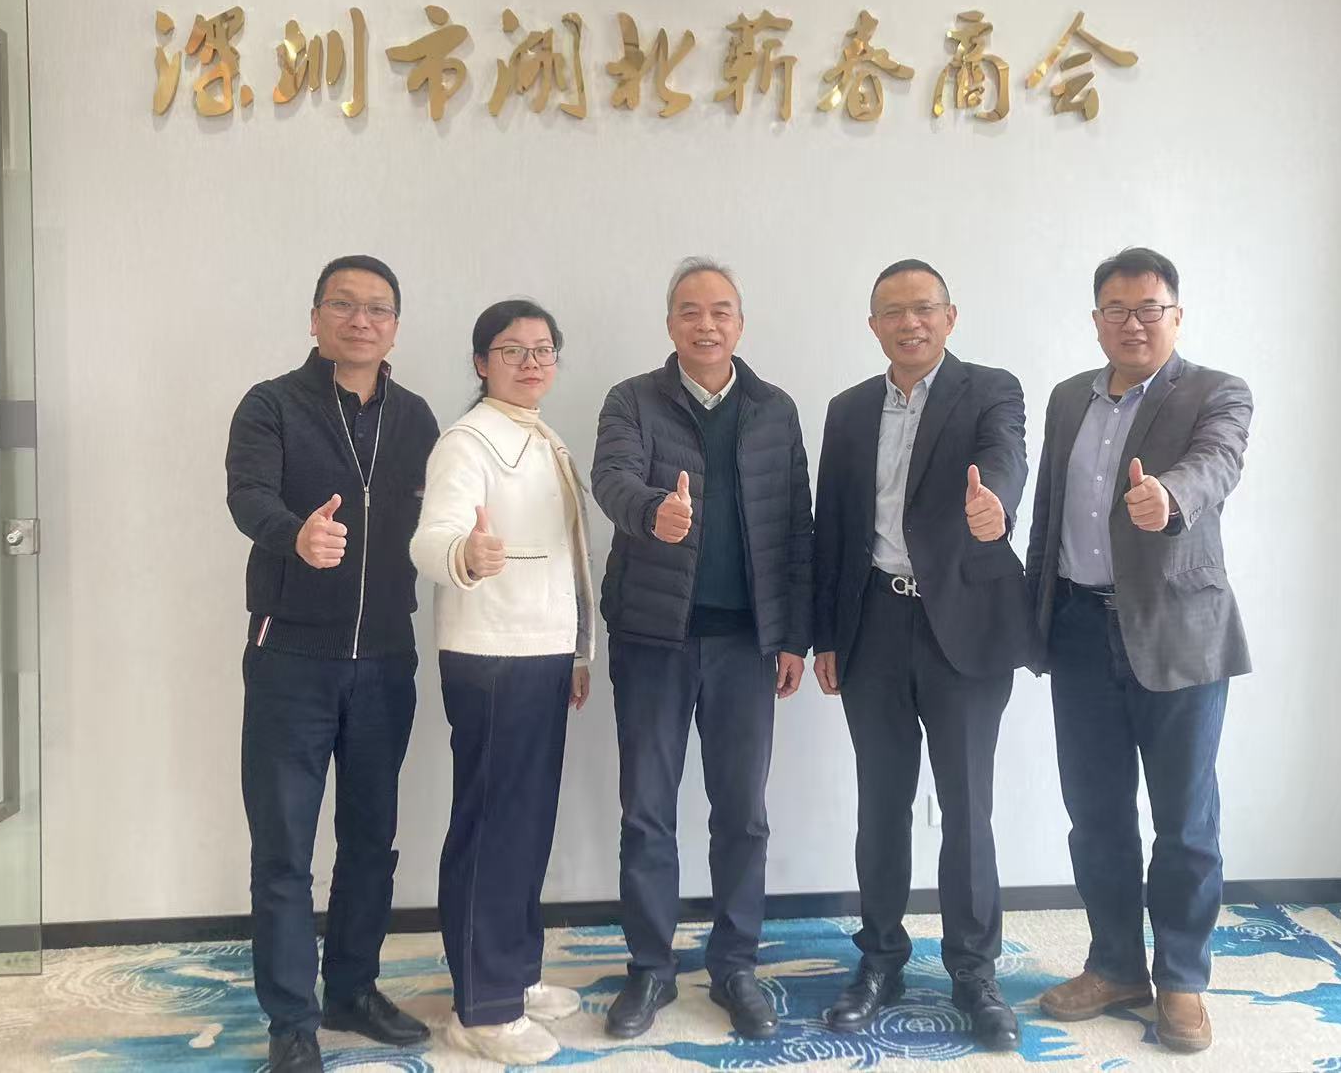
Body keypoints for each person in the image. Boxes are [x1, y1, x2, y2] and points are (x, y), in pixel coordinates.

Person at [1025, 246, 1253, 1055]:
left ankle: (1182, 977)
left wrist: (1170, 497)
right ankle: (1116, 964)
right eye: (1117, 310)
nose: (1133, 323)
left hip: (1177, 631)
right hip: (1080, 630)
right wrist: (1034, 616)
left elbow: (1216, 464)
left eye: (1149, 309)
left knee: (1184, 819)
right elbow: (1049, 510)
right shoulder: (1068, 398)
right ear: (1096, 322)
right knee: (1095, 816)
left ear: (1176, 316)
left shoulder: (1216, 392)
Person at [810, 258, 1040, 1051]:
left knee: (967, 805)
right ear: (873, 325)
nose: (910, 323)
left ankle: (974, 970)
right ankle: (880, 959)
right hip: (873, 621)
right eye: (893, 312)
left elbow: (1006, 457)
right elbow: (832, 527)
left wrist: (994, 506)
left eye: (924, 308)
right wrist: (826, 634)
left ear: (949, 316)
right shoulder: (847, 409)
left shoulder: (990, 390)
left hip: (965, 626)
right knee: (882, 802)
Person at [225, 255, 440, 1073]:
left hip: (385, 658)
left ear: (395, 326)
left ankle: (353, 989)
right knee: (284, 848)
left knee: (371, 839)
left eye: (377, 308)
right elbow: (248, 495)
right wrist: (295, 535)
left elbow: (440, 519)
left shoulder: (416, 418)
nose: (361, 320)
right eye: (343, 305)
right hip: (291, 656)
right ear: (315, 318)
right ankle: (292, 1021)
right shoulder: (272, 404)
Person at [590, 256, 814, 1041]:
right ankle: (650, 968)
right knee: (648, 811)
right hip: (654, 637)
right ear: (670, 324)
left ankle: (735, 966)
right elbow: (611, 480)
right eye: (690, 310)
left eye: (721, 311)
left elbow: (796, 528)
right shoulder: (632, 400)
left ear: (740, 324)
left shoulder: (774, 409)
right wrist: (654, 509)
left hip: (747, 643)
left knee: (742, 814)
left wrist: (794, 635)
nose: (706, 323)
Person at [409, 298, 596, 1065]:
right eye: (512, 350)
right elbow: (432, 537)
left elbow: (567, 560)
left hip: (541, 651)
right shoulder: (469, 441)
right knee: (493, 827)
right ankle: (481, 1009)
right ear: (481, 362)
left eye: (543, 349)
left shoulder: (538, 435)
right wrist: (464, 555)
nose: (530, 362)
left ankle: (513, 971)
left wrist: (577, 652)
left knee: (526, 822)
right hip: (493, 655)